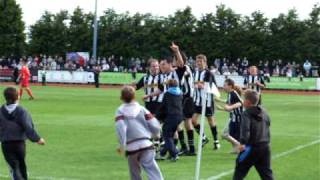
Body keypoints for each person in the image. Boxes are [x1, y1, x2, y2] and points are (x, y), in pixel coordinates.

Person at [115, 86, 163, 180]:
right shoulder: (142, 109)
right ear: (134, 96)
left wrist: (122, 145)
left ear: (121, 98)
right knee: (152, 170)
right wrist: (157, 134)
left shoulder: (120, 111)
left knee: (135, 173)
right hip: (146, 144)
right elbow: (154, 124)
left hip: (132, 147)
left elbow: (121, 128)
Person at [0, 87, 45, 180]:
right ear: (18, 97)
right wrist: (37, 139)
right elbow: (28, 127)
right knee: (21, 165)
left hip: (6, 144)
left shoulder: (1, 111)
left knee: (14, 167)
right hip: (19, 144)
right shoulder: (22, 111)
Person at [233, 89, 273, 180]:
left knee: (239, 171)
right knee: (266, 173)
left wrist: (242, 143)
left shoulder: (246, 114)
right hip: (265, 146)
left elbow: (245, 130)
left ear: (247, 102)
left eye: (243, 99)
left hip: (251, 147)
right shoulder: (264, 111)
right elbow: (268, 123)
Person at [192, 54, 221, 150]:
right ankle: (204, 137)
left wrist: (202, 86)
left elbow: (213, 86)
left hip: (207, 101)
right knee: (193, 121)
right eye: (197, 62)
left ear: (205, 62)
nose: (199, 63)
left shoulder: (209, 73)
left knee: (211, 121)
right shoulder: (194, 72)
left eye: (201, 61)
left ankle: (216, 141)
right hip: (197, 101)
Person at [157, 79, 183, 161]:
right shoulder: (180, 93)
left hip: (171, 116)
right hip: (179, 116)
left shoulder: (168, 94)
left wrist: (158, 116)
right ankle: (162, 153)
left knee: (167, 135)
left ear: (168, 86)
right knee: (170, 136)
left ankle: (175, 154)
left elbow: (163, 106)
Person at [217, 79, 243, 154]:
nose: (223, 87)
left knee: (225, 134)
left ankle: (238, 146)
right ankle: (236, 149)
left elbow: (240, 103)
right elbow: (229, 107)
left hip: (237, 119)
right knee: (230, 135)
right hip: (233, 118)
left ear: (230, 86)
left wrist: (230, 107)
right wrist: (221, 108)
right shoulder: (230, 94)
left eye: (225, 85)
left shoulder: (233, 93)